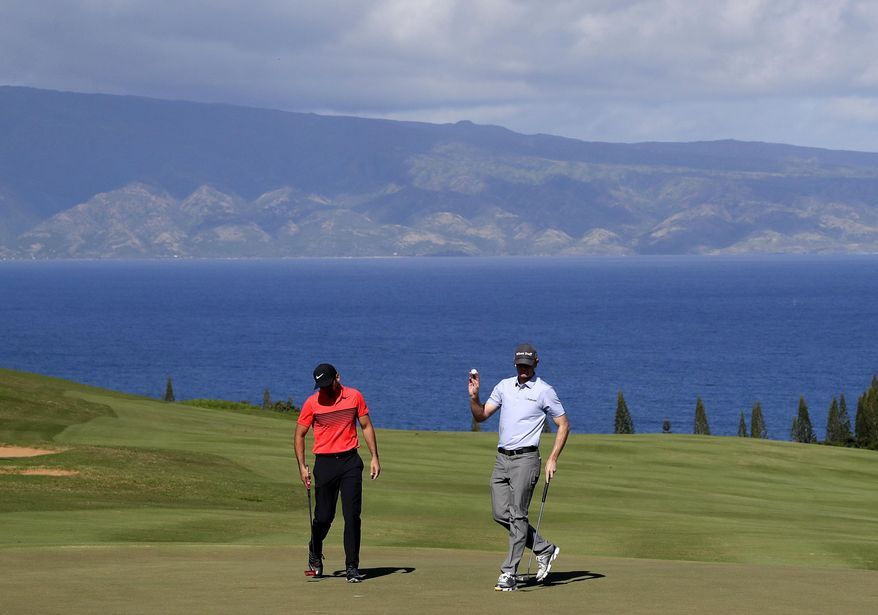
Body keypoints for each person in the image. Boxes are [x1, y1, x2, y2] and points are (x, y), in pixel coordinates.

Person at [468, 343, 570, 591]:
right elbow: (481, 416)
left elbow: (563, 424)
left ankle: (508, 573)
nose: (523, 369)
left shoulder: (544, 391)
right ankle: (544, 549)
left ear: (535, 363)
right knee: (500, 513)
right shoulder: (504, 386)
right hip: (502, 459)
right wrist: (474, 397)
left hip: (526, 459)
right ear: (515, 364)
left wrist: (553, 458)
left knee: (518, 515)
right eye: (519, 365)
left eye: (527, 364)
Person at [294, 363, 381, 583]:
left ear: (338, 378)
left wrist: (374, 457)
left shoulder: (354, 397)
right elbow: (300, 435)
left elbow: (366, 426)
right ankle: (315, 548)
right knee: (324, 517)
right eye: (319, 386)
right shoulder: (312, 403)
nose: (323, 389)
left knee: (352, 515)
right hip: (324, 464)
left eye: (326, 384)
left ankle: (352, 566)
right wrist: (302, 466)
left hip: (350, 461)